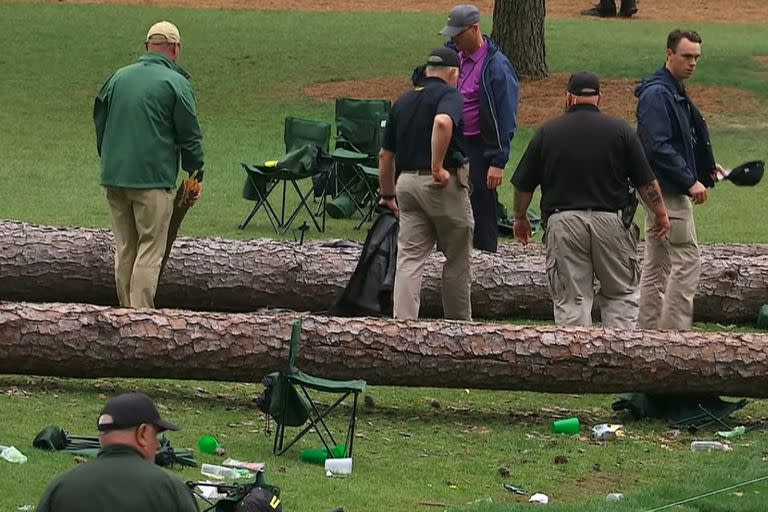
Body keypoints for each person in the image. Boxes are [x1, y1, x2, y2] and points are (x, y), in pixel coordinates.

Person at [511, 72, 670, 328]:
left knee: (571, 301)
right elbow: (646, 182)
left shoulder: (547, 132)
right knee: (621, 295)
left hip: (563, 222)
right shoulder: (621, 131)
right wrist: (660, 212)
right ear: (599, 97)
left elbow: (523, 185)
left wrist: (520, 217)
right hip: (612, 221)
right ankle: (622, 357)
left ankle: (574, 361)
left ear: (569, 97)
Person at [94, 20, 205, 309]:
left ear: (147, 47)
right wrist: (196, 173)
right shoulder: (176, 84)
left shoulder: (117, 78)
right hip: (152, 182)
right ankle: (140, 322)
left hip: (114, 177)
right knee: (149, 251)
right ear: (176, 49)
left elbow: (100, 121)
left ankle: (124, 315)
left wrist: (109, 159)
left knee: (126, 248)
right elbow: (189, 135)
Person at [635, 29, 725, 330]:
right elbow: (657, 146)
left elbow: (680, 140)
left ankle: (648, 333)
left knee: (658, 262)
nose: (692, 63)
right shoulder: (657, 94)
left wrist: (705, 170)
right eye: (687, 56)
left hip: (659, 186)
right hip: (667, 190)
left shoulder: (670, 89)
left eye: (696, 57)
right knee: (687, 261)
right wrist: (690, 181)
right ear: (669, 54)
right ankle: (674, 336)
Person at [378, 47, 474, 320]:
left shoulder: (404, 100)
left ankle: (403, 326)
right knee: (457, 258)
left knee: (409, 258)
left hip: (406, 184)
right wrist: (437, 167)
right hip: (440, 185)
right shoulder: (450, 95)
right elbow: (443, 123)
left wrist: (387, 194)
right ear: (453, 73)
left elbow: (385, 155)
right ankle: (459, 328)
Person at [439, 4, 519, 253]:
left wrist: (498, 161)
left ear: (474, 29)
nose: (454, 39)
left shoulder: (496, 67)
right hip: (455, 141)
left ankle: (486, 260)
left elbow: (506, 116)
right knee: (449, 204)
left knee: (482, 207)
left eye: (458, 34)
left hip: (480, 148)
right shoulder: (454, 57)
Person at [36, 392, 198, 512]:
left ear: (101, 438)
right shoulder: (171, 489)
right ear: (142, 433)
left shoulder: (61, 487)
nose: (157, 445)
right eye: (155, 435)